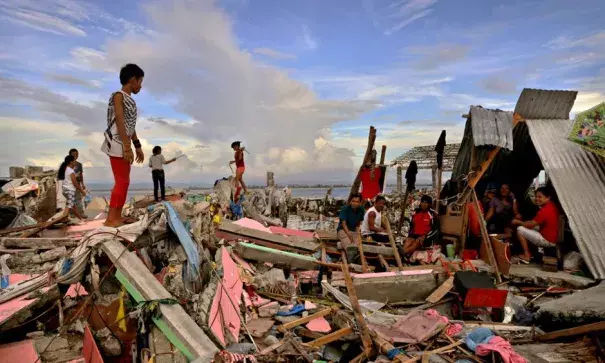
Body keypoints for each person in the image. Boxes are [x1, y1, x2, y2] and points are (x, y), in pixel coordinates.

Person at [101, 63, 145, 227]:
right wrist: (127, 147)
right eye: (140, 82)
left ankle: (116, 216)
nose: (140, 86)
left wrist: (137, 145)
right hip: (117, 143)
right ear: (133, 80)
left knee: (124, 181)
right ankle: (111, 219)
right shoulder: (118, 96)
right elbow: (120, 121)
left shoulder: (130, 100)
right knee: (121, 181)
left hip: (125, 142)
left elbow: (130, 125)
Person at [512, 187, 560, 264]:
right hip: (552, 237)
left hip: (548, 240)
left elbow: (530, 225)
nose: (537, 199)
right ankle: (534, 252)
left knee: (520, 229)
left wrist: (518, 222)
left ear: (548, 198)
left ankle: (526, 255)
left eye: (540, 197)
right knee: (532, 227)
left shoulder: (545, 210)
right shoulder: (552, 205)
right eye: (536, 197)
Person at [58, 155, 87, 222]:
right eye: (74, 161)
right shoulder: (71, 171)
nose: (75, 162)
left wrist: (81, 219)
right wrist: (82, 191)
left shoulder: (65, 169)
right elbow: (75, 183)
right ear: (71, 162)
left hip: (65, 190)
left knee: (71, 206)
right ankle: (63, 218)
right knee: (70, 205)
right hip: (69, 191)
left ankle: (79, 219)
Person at [337, 193, 365, 262]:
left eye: (357, 202)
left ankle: (357, 259)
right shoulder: (345, 209)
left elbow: (359, 222)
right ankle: (351, 260)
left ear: (360, 202)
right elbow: (343, 223)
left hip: (354, 230)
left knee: (357, 245)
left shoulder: (361, 210)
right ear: (350, 201)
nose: (354, 203)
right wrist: (348, 232)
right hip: (343, 229)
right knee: (348, 244)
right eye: (353, 201)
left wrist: (357, 229)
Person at [68, 148, 87, 218]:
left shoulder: (79, 164)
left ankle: (81, 213)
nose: (76, 155)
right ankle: (72, 214)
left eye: (77, 154)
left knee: (78, 199)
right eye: (74, 154)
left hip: (77, 184)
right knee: (71, 200)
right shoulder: (67, 164)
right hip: (70, 185)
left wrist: (83, 184)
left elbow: (81, 174)